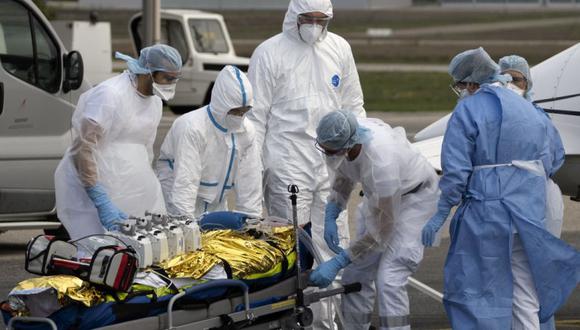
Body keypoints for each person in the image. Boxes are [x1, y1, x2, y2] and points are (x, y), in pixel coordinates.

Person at [421, 47, 579, 329]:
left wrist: (441, 212)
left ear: (470, 82)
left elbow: (456, 171)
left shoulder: (469, 109)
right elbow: (553, 159)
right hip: (528, 212)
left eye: (460, 85)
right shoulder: (533, 111)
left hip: (487, 213)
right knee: (525, 289)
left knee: (475, 290)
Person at [247, 0, 366, 327]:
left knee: (333, 243)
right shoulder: (269, 53)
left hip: (330, 160)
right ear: (293, 17)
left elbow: (353, 104)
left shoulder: (339, 47)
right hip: (287, 159)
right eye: (307, 19)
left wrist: (359, 156)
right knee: (290, 248)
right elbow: (256, 119)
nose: (314, 25)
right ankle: (288, 320)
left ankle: (326, 322)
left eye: (320, 19)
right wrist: (254, 170)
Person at [308, 110, 439, 330]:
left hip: (415, 200)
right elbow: (344, 174)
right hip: (380, 198)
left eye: (330, 151)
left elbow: (381, 232)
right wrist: (333, 209)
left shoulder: (381, 163)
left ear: (347, 146)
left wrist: (340, 261)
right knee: (355, 275)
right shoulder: (346, 134)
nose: (326, 154)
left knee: (390, 277)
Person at [54, 44, 182, 240]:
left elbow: (144, 148)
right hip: (97, 191)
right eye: (168, 78)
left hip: (132, 190)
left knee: (145, 251)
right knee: (99, 253)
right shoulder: (110, 95)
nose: (172, 84)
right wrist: (100, 198)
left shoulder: (155, 102)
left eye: (175, 79)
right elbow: (83, 148)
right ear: (148, 72)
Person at [499, 54, 567, 330]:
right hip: (514, 203)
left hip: (539, 201)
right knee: (518, 279)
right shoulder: (495, 117)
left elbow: (553, 160)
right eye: (505, 79)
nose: (511, 85)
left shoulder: (539, 118)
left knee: (535, 277)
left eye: (516, 79)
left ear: (528, 82)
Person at [156, 65, 262, 219]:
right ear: (221, 103)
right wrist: (185, 223)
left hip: (217, 204)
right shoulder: (192, 127)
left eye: (244, 111)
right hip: (177, 198)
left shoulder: (246, 130)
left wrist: (251, 220)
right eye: (235, 111)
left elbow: (250, 178)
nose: (239, 116)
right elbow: (186, 180)